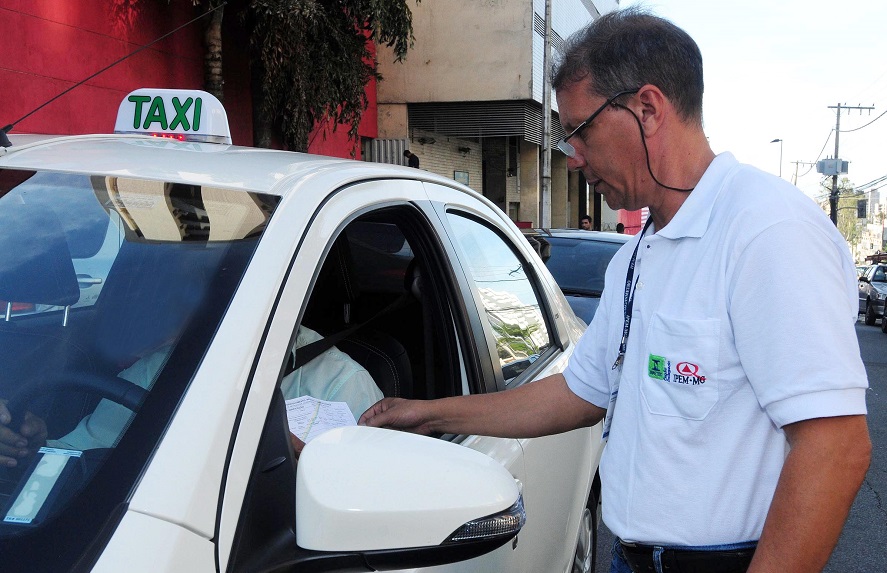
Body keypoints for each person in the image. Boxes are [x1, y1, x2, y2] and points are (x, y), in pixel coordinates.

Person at [360, 8, 870, 573]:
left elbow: (835, 446)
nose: (574, 157)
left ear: (647, 109)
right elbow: (579, 393)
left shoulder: (767, 232)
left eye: (579, 131)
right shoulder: (638, 253)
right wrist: (428, 415)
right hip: (632, 556)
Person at [0, 325, 382, 464]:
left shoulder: (341, 384)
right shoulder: (162, 366)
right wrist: (34, 446)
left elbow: (370, 504)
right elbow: (82, 454)